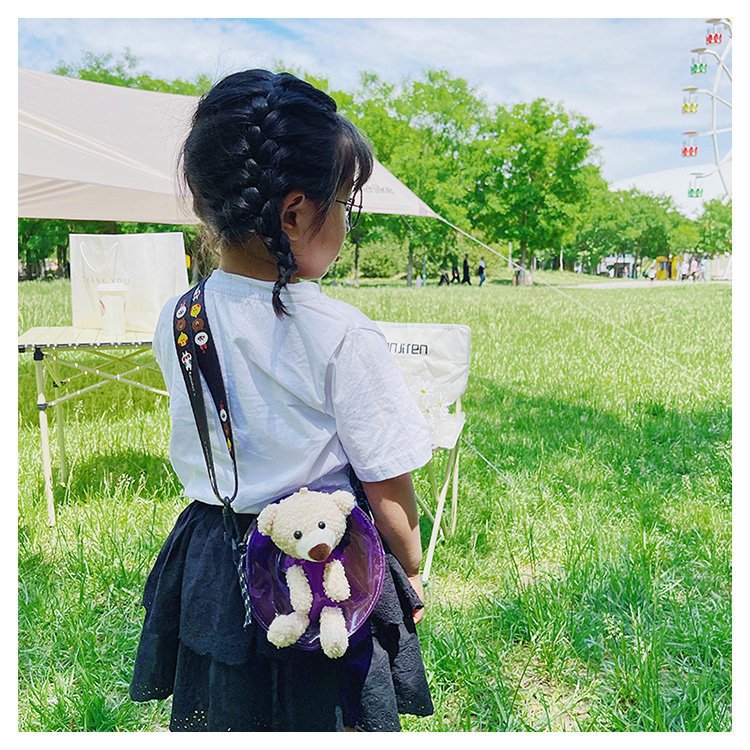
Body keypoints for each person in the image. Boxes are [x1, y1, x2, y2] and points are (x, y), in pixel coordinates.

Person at [129, 70, 434, 732]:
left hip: (215, 557)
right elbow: (387, 487)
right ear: (295, 214)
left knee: (230, 708)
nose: (347, 222)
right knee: (327, 709)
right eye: (345, 202)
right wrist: (410, 567)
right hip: (326, 563)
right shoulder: (340, 332)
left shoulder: (178, 317)